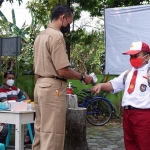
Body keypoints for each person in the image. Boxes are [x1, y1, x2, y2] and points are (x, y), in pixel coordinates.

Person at [33, 4, 93, 150]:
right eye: (69, 23)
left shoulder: (40, 36)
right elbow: (62, 71)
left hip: (40, 85)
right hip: (53, 88)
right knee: (52, 135)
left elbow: (36, 69)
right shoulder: (56, 36)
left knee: (41, 132)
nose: (68, 26)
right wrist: (82, 76)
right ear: (63, 17)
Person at [91, 41, 150, 150]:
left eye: (136, 55)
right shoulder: (127, 74)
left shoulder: (148, 73)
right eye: (131, 56)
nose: (132, 58)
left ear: (147, 57)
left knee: (145, 145)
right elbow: (114, 84)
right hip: (127, 114)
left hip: (144, 115)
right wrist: (101, 85)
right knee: (130, 144)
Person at [0, 71, 33, 145]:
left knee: (33, 118)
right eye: (9, 78)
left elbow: (26, 97)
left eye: (13, 78)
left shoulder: (15, 88)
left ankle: (26, 138)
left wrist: (24, 98)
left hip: (19, 109)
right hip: (8, 112)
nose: (11, 80)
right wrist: (20, 100)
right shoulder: (1, 89)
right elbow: (5, 102)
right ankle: (20, 143)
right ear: (4, 79)